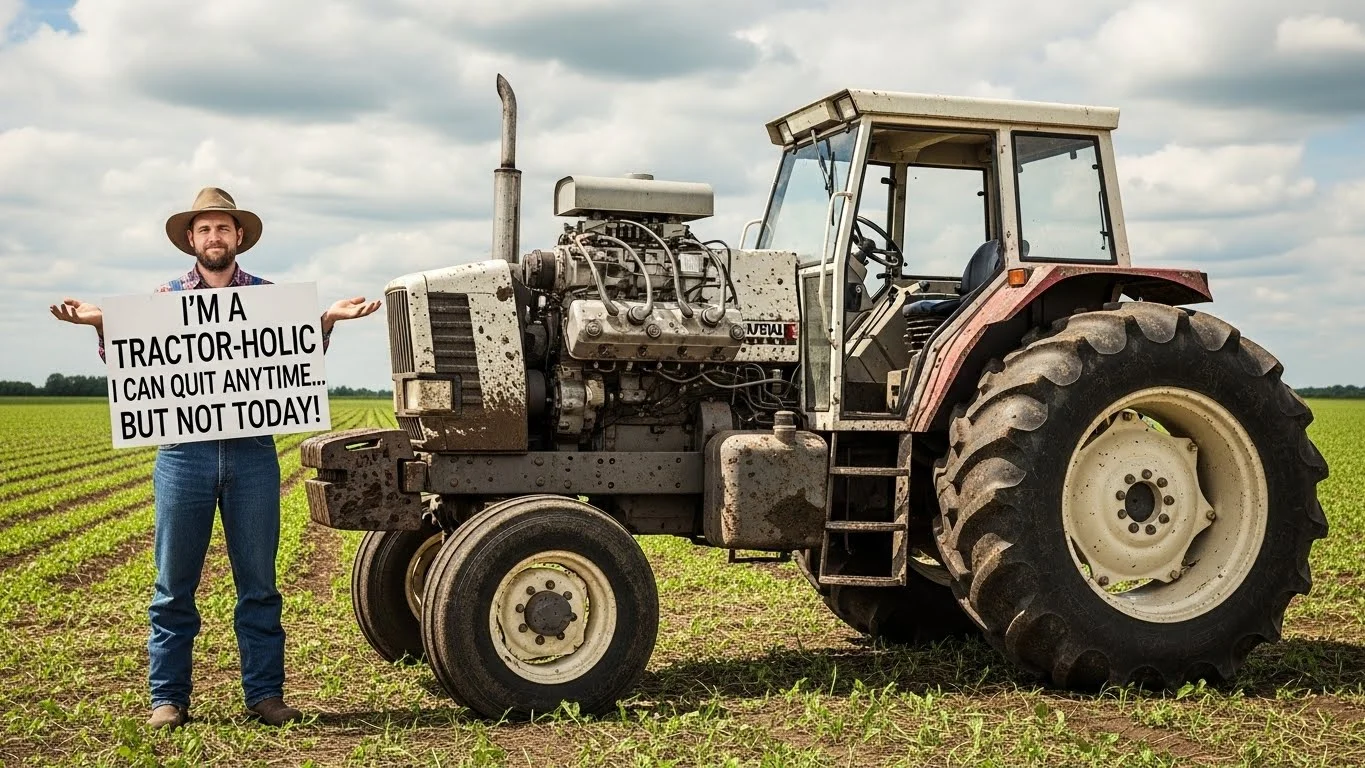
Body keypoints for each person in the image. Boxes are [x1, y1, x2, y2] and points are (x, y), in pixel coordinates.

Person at [49, 187, 380, 729]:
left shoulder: (269, 299)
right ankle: (168, 700)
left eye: (223, 228)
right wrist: (103, 324)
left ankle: (265, 695)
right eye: (204, 229)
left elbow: (292, 355)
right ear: (190, 240)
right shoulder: (162, 299)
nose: (214, 237)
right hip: (184, 455)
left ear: (240, 236)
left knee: (259, 584)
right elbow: (135, 358)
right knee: (173, 585)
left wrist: (325, 320)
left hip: (252, 455)